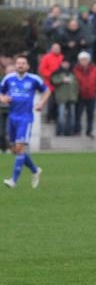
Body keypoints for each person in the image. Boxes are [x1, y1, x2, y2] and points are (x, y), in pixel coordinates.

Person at [0, 55, 50, 188]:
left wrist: (41, 103)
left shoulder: (34, 79)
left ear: (27, 66)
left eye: (23, 63)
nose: (21, 65)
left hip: (25, 118)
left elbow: (47, 91)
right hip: (12, 117)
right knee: (15, 150)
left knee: (20, 147)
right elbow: (0, 92)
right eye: (18, 63)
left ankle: (13, 180)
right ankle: (35, 170)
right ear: (15, 65)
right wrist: (3, 98)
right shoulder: (8, 78)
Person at [73, 51, 96, 138]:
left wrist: (95, 92)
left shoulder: (95, 69)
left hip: (92, 96)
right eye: (82, 60)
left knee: (90, 114)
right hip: (80, 96)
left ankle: (89, 131)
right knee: (78, 114)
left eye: (85, 59)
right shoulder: (75, 70)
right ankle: (77, 131)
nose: (84, 61)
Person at [51, 59, 78, 136]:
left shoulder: (72, 73)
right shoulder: (57, 72)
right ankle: (60, 131)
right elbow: (53, 81)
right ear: (61, 64)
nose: (66, 64)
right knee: (61, 116)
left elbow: (76, 85)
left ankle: (69, 132)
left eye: (67, 63)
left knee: (72, 116)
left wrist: (75, 95)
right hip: (61, 98)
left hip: (72, 97)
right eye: (64, 63)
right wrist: (62, 80)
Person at [38, 42, 64, 123]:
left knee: (59, 101)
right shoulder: (47, 57)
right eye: (55, 48)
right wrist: (51, 75)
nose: (56, 50)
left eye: (58, 48)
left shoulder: (62, 57)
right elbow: (42, 69)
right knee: (51, 102)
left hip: (60, 83)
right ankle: (49, 117)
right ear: (52, 49)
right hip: (50, 83)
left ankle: (57, 118)